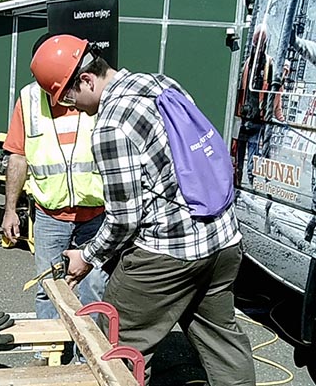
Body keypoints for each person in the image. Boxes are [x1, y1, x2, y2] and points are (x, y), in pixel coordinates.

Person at [30, 34, 256, 385]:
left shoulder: (110, 125)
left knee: (114, 345)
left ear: (86, 80)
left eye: (68, 96)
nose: (70, 106)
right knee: (222, 342)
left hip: (169, 254)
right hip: (223, 241)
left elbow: (123, 219)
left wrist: (87, 256)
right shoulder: (162, 83)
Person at [1, 35, 108, 329]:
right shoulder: (29, 99)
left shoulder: (93, 95)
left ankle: (85, 361)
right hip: (50, 217)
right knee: (49, 289)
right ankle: (47, 355)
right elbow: (18, 157)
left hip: (96, 215)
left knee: (92, 290)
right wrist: (11, 209)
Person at [236, 25, 285, 186]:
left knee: (252, 152)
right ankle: (239, 180)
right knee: (241, 151)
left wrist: (275, 117)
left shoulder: (268, 64)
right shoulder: (247, 63)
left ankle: (249, 182)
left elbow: (275, 94)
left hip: (257, 117)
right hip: (244, 115)